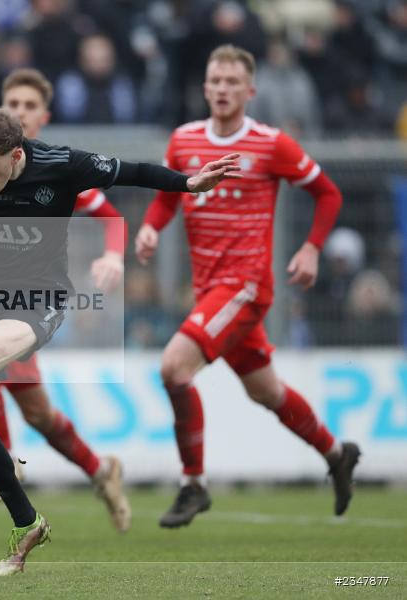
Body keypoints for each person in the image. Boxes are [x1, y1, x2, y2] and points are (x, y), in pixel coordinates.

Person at [0, 101, 239, 575]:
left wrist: (187, 183)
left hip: (41, 298)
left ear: (16, 155)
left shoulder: (62, 165)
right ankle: (28, 523)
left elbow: (131, 171)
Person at [133, 45, 357, 529]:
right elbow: (169, 197)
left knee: (174, 367)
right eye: (215, 80)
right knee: (268, 392)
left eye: (233, 82)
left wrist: (312, 247)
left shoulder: (271, 144)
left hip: (246, 286)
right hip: (211, 290)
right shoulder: (184, 140)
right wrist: (152, 226)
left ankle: (193, 483)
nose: (222, 89)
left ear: (250, 90)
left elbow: (328, 192)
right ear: (204, 87)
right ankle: (338, 453)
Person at [0, 68, 130, 531]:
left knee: (7, 388)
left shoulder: (59, 172)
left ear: (43, 116)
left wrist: (114, 256)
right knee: (31, 407)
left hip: (32, 302)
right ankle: (99, 470)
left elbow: (110, 216)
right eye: (12, 104)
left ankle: (12, 470)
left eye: (29, 106)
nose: (20, 112)